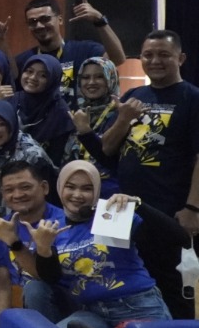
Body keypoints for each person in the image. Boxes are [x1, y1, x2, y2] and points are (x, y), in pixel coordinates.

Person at [23, 160, 176, 328]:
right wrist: (43, 249)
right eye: (70, 187)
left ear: (96, 191)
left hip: (137, 306)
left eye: (87, 188)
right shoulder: (53, 226)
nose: (77, 195)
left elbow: (179, 238)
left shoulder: (110, 215)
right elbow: (51, 279)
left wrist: (138, 204)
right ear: (60, 187)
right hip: (92, 313)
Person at [102, 30, 199, 248]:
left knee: (166, 268)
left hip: (169, 210)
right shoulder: (132, 95)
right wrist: (123, 119)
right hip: (124, 206)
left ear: (181, 58)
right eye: (148, 55)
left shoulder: (193, 98)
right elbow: (107, 148)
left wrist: (193, 209)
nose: (155, 61)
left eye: (164, 54)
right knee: (119, 267)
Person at [0, 160, 66, 321]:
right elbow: (3, 282)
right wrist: (3, 319)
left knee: (34, 288)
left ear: (44, 187)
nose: (18, 195)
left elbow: (45, 277)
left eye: (25, 187)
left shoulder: (62, 223)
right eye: (9, 190)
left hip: (53, 305)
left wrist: (14, 243)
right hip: (18, 308)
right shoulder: (3, 226)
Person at [12, 0, 125, 102]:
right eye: (32, 22)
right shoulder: (23, 60)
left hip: (78, 115)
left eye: (45, 19)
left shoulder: (83, 50)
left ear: (60, 19)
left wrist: (100, 21)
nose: (39, 25)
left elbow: (118, 59)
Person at [66, 55, 121, 195]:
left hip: (109, 193)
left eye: (99, 77)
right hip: (74, 192)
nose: (91, 82)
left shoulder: (121, 114)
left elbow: (113, 159)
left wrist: (85, 131)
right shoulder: (74, 113)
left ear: (111, 79)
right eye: (85, 77)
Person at [14, 54, 77, 166]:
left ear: (53, 79)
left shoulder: (61, 113)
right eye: (29, 71)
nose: (33, 77)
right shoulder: (11, 100)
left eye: (43, 75)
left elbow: (57, 159)